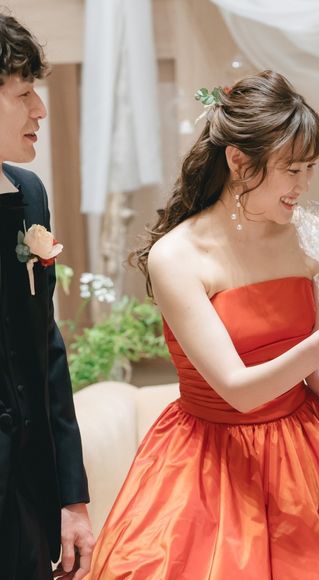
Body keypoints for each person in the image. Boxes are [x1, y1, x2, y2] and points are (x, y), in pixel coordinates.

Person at [88, 70, 319, 579]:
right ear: (239, 162)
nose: (304, 185)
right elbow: (239, 390)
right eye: (292, 169)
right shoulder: (177, 256)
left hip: (305, 453)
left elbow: (318, 377)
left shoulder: (300, 238)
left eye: (311, 168)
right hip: (210, 462)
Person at [0, 11, 94, 580]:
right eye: (23, 93)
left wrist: (70, 496)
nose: (39, 109)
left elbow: (47, 349)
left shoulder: (29, 194)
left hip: (30, 492)